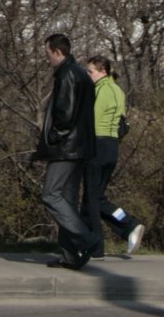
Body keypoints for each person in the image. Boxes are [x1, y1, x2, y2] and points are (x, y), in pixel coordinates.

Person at [30, 32, 101, 270]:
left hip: (67, 148)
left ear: (57, 52)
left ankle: (87, 239)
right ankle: (71, 255)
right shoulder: (81, 73)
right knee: (67, 200)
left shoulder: (68, 74)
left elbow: (64, 115)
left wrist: (52, 138)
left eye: (47, 53)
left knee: (50, 194)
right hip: (80, 148)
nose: (46, 57)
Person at [82, 55, 145, 257]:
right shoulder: (117, 90)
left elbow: (92, 118)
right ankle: (126, 225)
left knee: (92, 199)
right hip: (111, 146)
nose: (88, 75)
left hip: (98, 144)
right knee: (96, 197)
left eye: (90, 72)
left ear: (103, 72)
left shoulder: (102, 90)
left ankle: (100, 242)